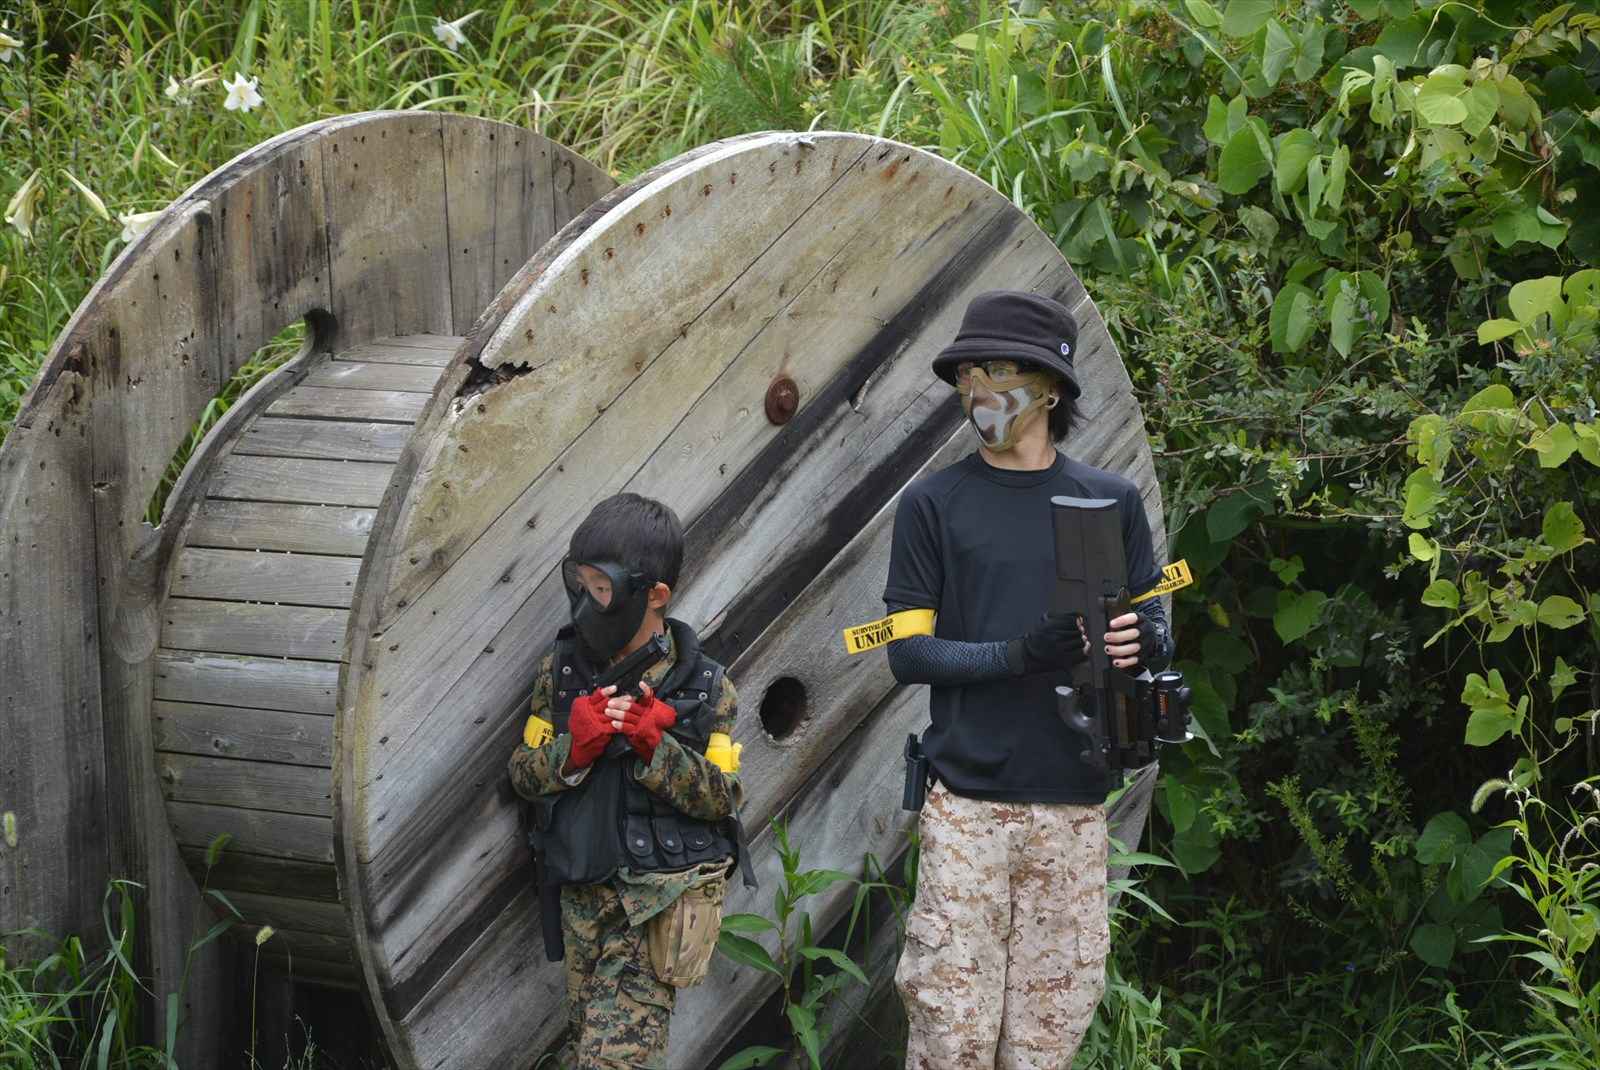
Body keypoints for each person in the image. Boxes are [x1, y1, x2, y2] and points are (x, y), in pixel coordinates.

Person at [884, 290, 1172, 1069]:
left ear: (1050, 387)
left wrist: (1143, 638)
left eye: (999, 370)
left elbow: (1153, 626)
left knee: (1047, 1043)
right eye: (968, 372)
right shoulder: (933, 504)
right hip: (967, 810)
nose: (979, 389)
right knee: (950, 1039)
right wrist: (1021, 654)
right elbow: (908, 655)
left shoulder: (1109, 501)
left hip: (1074, 810)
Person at [508, 492, 747, 1070]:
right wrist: (575, 748)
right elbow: (522, 775)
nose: (586, 602)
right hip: (581, 900)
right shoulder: (562, 672)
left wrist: (656, 748)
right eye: (581, 584)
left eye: (601, 589)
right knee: (587, 1049)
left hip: (656, 905)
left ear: (654, 595)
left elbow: (724, 797)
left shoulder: (706, 687)